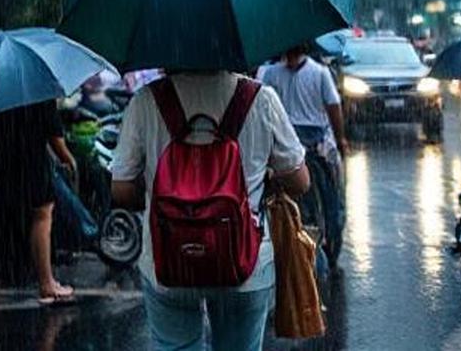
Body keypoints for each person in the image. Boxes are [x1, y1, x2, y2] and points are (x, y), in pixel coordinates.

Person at [110, 71, 309, 351]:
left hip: (166, 260)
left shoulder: (146, 100)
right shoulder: (260, 99)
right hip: (246, 263)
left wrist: (158, 192)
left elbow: (121, 191)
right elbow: (300, 182)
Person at [0, 100, 77, 306]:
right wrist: (69, 159)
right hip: (31, 163)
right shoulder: (39, 95)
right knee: (42, 215)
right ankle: (46, 284)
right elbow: (54, 135)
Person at [257, 45, 347, 267]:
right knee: (330, 202)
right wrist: (341, 140)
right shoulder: (319, 73)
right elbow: (333, 108)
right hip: (310, 149)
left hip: (290, 149)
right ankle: (323, 249)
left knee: (301, 206)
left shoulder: (270, 74)